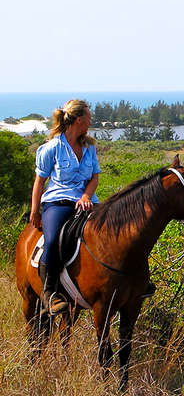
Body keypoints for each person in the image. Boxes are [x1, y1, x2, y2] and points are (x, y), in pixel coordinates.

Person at [30, 100, 100, 315]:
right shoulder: (51, 148)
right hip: (58, 201)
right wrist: (35, 211)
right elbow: (39, 182)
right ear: (79, 120)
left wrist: (87, 196)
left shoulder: (89, 148)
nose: (90, 121)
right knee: (51, 240)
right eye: (89, 117)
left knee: (118, 228)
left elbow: (95, 177)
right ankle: (50, 292)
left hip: (88, 202)